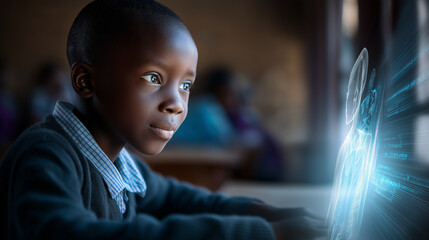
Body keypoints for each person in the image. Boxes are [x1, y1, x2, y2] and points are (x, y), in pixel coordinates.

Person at [0, 1, 325, 239]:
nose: (176, 104)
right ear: (86, 81)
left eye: (185, 85)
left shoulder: (121, 164)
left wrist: (262, 212)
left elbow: (175, 199)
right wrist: (262, 233)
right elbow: (66, 233)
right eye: (154, 77)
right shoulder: (45, 153)